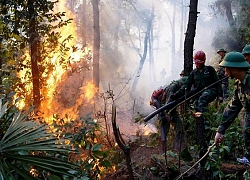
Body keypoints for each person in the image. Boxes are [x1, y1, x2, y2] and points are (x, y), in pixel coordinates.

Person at [170, 50, 223, 176]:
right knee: (195, 102)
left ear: (203, 61)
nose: (198, 64)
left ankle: (201, 119)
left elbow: (218, 84)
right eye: (196, 62)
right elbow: (186, 86)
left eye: (200, 62)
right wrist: (176, 95)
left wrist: (220, 96)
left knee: (202, 100)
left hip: (211, 91)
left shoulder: (209, 70)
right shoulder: (193, 73)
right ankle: (195, 120)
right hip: (199, 93)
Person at [214, 52, 250, 166]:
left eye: (226, 69)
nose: (225, 73)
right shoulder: (239, 83)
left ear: (234, 68)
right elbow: (233, 107)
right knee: (247, 129)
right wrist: (221, 130)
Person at [150, 75, 188, 153]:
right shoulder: (173, 87)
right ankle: (162, 153)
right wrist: (167, 115)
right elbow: (168, 102)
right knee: (164, 131)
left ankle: (178, 149)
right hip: (163, 108)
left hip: (170, 109)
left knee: (179, 126)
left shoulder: (178, 88)